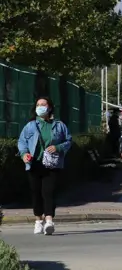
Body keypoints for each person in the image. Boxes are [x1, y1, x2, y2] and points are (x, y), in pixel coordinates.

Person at [17, 97, 72, 236]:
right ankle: (38, 221)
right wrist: (24, 154)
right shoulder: (30, 125)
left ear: (50, 107)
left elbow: (68, 141)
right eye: (38, 105)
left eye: (43, 104)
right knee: (36, 192)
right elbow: (22, 142)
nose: (40, 107)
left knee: (49, 192)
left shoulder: (59, 125)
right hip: (34, 164)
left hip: (52, 164)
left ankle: (49, 220)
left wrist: (58, 147)